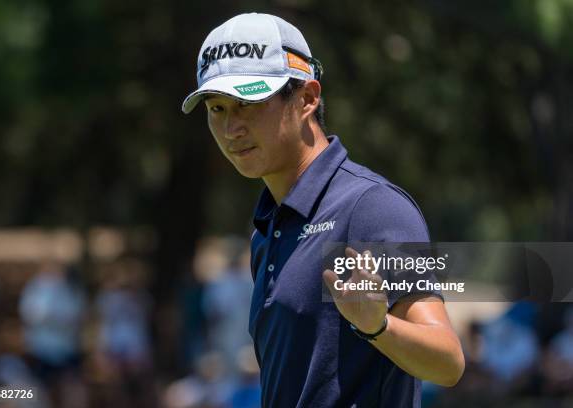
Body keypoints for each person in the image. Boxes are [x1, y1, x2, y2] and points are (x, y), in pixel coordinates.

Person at [182, 12, 464, 407]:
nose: (232, 129)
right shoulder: (267, 230)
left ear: (307, 99)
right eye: (217, 109)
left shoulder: (371, 208)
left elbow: (447, 361)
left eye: (248, 101)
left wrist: (377, 328)